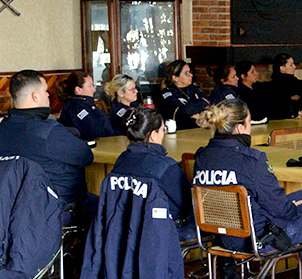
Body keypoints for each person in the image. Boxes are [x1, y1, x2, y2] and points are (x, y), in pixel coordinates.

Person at [192, 98, 302, 279]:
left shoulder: (202, 157)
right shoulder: (251, 160)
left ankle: (228, 278)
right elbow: (281, 209)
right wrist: (293, 211)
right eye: (249, 124)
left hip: (221, 237)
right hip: (256, 240)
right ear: (239, 128)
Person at [0, 69, 95, 223]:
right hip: (59, 205)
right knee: (110, 207)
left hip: (17, 206)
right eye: (46, 91)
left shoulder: (4, 128)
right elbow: (86, 156)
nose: (48, 95)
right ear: (35, 96)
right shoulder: (48, 132)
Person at [109, 107, 194, 242]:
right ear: (153, 135)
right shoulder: (166, 166)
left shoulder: (121, 160)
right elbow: (186, 202)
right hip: (165, 231)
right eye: (162, 130)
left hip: (129, 228)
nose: (163, 134)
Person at [57, 71, 118, 140]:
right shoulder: (76, 109)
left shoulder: (85, 105)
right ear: (78, 90)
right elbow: (94, 133)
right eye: (90, 86)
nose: (94, 90)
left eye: (93, 86)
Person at [156, 60, 208, 130]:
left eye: (190, 72)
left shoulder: (193, 88)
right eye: (186, 73)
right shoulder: (168, 92)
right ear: (175, 78)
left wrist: (193, 111)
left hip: (197, 130)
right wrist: (201, 104)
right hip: (179, 132)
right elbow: (183, 111)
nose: (191, 75)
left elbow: (208, 102)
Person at [268, 53, 302, 118]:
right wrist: (290, 99)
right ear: (282, 68)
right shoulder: (275, 85)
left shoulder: (294, 81)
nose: (294, 67)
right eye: (291, 65)